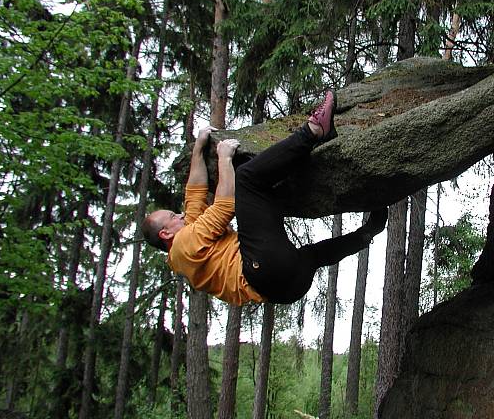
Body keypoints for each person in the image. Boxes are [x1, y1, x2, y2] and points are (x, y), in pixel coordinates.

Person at [142, 91, 388, 305]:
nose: (182, 214)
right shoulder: (184, 244)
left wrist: (198, 148)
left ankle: (367, 233)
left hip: (289, 288)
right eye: (174, 216)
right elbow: (225, 208)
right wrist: (225, 159)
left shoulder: (189, 247)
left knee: (314, 255)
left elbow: (194, 194)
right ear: (165, 234)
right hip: (262, 268)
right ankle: (313, 131)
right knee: (247, 177)